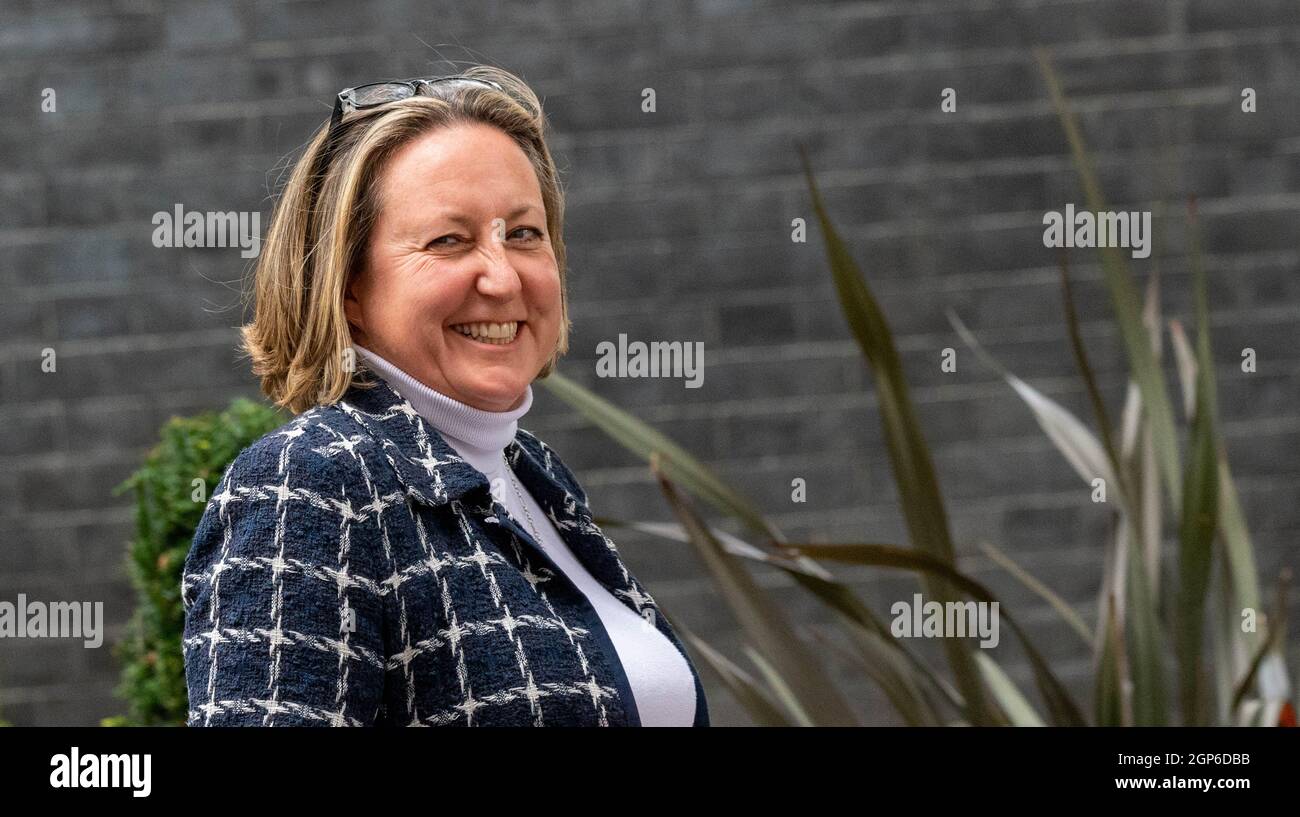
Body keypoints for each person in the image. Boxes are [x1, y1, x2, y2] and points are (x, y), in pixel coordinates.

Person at [180, 67, 708, 727]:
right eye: (449, 241)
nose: (501, 274)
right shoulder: (312, 482)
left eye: (523, 233)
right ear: (347, 287)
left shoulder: (533, 478)